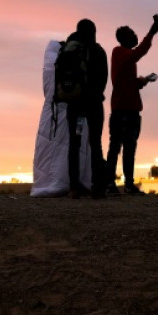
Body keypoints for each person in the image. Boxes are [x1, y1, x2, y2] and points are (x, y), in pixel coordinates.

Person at [105, 14, 158, 195]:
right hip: (123, 109)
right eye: (131, 34)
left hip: (128, 109)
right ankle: (111, 184)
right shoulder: (119, 52)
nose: (135, 36)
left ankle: (126, 184)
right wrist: (152, 32)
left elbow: (127, 83)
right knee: (117, 147)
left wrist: (143, 81)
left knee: (127, 147)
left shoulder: (124, 56)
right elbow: (139, 52)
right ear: (124, 39)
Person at [30, 40, 93, 197]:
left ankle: (50, 182)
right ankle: (75, 182)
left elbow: (48, 90)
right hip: (76, 110)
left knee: (50, 150)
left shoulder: (52, 64)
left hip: (53, 112)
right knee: (76, 146)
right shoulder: (77, 61)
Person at [64, 18, 109, 199]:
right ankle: (98, 188)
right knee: (96, 144)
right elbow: (104, 78)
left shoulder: (71, 50)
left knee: (74, 144)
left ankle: (74, 188)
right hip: (94, 106)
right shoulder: (98, 51)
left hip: (75, 106)